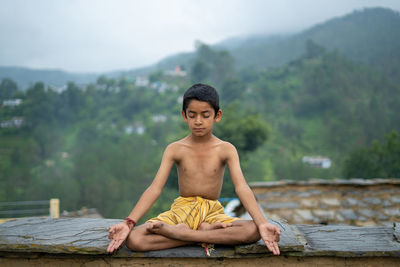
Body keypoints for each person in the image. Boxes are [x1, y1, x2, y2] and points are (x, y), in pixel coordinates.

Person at [107, 83, 281, 255]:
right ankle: (203, 234)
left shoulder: (226, 149)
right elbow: (155, 188)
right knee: (134, 239)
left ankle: (183, 234)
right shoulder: (175, 149)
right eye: (192, 115)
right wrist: (128, 223)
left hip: (212, 214)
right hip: (181, 211)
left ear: (217, 115)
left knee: (254, 230)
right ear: (184, 116)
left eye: (205, 115)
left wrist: (262, 223)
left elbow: (241, 187)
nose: (198, 121)